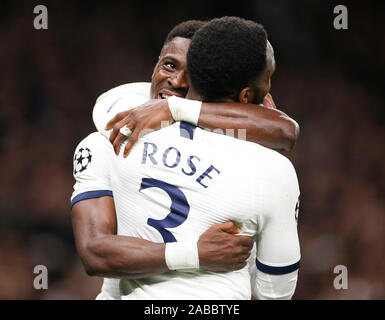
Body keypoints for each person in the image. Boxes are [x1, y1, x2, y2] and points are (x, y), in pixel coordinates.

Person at [73, 16, 300, 300]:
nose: (176, 82)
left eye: (191, 74)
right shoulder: (271, 170)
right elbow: (275, 293)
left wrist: (174, 109)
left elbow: (284, 130)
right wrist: (196, 254)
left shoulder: (112, 134)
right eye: (169, 65)